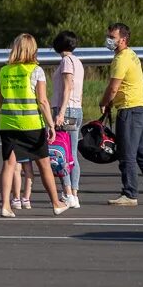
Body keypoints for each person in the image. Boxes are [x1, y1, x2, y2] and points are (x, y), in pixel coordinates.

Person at [99, 23, 143, 206]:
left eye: (112, 37)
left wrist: (104, 102)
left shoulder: (121, 58)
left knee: (127, 154)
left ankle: (130, 193)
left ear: (123, 39)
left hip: (130, 110)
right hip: (142, 108)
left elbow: (114, 87)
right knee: (142, 152)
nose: (109, 40)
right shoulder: (131, 55)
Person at [0, 34, 67, 218]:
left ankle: (5, 205)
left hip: (8, 123)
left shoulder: (4, 71)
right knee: (43, 163)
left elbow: (1, 99)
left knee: (9, 164)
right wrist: (51, 124)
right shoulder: (36, 71)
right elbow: (42, 101)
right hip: (31, 124)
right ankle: (56, 202)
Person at [51, 30, 85, 208]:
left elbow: (67, 87)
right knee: (72, 153)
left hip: (67, 109)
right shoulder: (78, 62)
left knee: (62, 152)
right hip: (76, 109)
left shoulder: (65, 61)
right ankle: (75, 194)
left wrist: (61, 113)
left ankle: (68, 191)